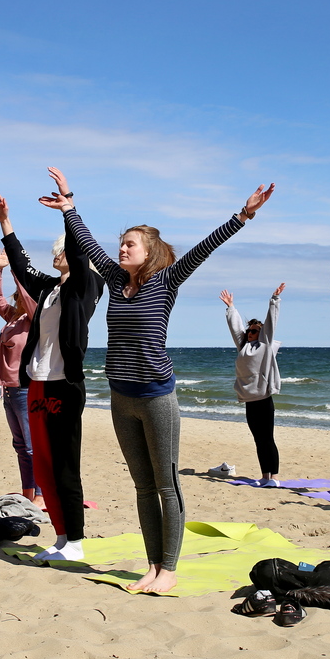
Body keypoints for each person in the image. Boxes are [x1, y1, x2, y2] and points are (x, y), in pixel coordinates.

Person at [45, 167, 274, 594]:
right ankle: (151, 566)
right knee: (142, 485)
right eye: (121, 244)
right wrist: (69, 205)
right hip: (120, 397)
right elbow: (87, 240)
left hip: (156, 398)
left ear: (147, 251)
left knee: (167, 483)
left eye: (129, 244)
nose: (121, 249)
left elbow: (205, 248)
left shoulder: (166, 281)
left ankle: (169, 568)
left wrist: (243, 215)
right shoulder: (115, 280)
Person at [0, 190, 105, 563]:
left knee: (66, 464)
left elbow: (80, 249)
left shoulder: (85, 288)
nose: (55, 255)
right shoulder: (51, 290)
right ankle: (62, 536)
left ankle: (77, 541)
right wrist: (5, 221)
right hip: (35, 381)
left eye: (60, 250)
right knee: (44, 465)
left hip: (64, 386)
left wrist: (67, 208)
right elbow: (22, 267)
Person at [0, 249, 41, 503]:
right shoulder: (13, 317)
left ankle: (42, 495)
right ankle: (27, 493)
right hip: (9, 390)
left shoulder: (34, 318)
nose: (18, 296)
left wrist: (16, 269)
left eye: (22, 293)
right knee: (20, 446)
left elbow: (27, 293)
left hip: (25, 389)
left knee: (32, 447)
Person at [220, 284, 285, 487]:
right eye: (249, 330)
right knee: (258, 440)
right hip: (250, 400)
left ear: (262, 333)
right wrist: (231, 307)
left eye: (255, 331)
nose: (250, 333)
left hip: (264, 399)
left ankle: (273, 478)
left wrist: (274, 299)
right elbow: (235, 327)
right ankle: (264, 476)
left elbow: (271, 321)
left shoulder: (265, 344)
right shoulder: (243, 346)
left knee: (268, 439)